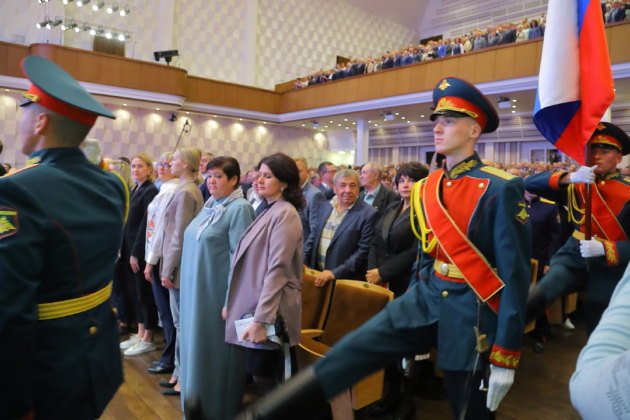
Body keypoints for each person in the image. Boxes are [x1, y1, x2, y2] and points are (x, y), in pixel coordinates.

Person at [238, 77, 531, 420]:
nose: (438, 128)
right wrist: (419, 290)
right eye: (437, 120)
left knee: (469, 408)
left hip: (474, 310)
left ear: (474, 131)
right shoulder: (427, 188)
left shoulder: (500, 188)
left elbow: (515, 275)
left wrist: (506, 353)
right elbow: (427, 254)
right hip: (428, 295)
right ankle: (263, 414)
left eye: (450, 121)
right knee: (353, 350)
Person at [0, 55, 127, 418]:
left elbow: (9, 311)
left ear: (40, 121)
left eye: (24, 111)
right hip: (95, 357)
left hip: (46, 372)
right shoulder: (112, 184)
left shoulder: (16, 192)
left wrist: (14, 401)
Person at [525, 122, 630, 334]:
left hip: (611, 265)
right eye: (593, 151)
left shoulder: (627, 192)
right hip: (574, 254)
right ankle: (501, 348)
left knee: (600, 324)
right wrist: (570, 177)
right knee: (538, 295)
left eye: (605, 151)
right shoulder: (578, 184)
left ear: (618, 158)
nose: (597, 156)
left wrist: (606, 249)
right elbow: (528, 184)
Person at [179, 156, 255, 418]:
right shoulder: (212, 203)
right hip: (195, 294)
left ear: (234, 180)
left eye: (219, 176)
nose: (212, 181)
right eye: (209, 175)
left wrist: (231, 301)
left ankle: (214, 410)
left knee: (213, 356)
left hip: (215, 298)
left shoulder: (240, 208)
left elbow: (241, 259)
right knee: (194, 349)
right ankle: (194, 405)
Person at [224, 152, 304, 395]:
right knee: (258, 373)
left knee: (266, 376)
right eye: (259, 175)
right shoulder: (269, 209)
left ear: (285, 182)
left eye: (267, 176)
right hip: (254, 302)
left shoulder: (286, 213)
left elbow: (277, 269)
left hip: (272, 309)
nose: (259, 180)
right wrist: (231, 301)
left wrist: (261, 320)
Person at [159, 147, 205, 396]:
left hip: (177, 267)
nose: (170, 162)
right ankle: (178, 372)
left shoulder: (187, 191)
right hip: (177, 265)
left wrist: (167, 269)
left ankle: (183, 375)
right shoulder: (185, 188)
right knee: (179, 323)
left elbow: (178, 235)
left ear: (186, 164)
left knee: (181, 324)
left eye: (175, 159)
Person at [569, 261, 630, 419]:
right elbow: (576, 245)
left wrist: (609, 249)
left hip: (612, 286)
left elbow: (589, 389)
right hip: (598, 294)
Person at [117, 153, 160, 356]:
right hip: (128, 247)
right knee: (134, 292)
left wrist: (135, 253)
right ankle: (140, 331)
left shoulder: (151, 191)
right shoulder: (136, 188)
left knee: (143, 293)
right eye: (133, 166)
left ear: (150, 169)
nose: (135, 170)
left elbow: (144, 227)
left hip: (139, 250)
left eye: (140, 166)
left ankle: (148, 336)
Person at [304, 168, 378, 284]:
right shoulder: (325, 206)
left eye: (352, 186)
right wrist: (304, 258)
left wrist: (335, 273)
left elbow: (363, 251)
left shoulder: (368, 214)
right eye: (342, 185)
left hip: (344, 281)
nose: (347, 190)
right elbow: (314, 235)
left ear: (358, 189)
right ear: (334, 188)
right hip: (318, 275)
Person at [143, 152, 178, 375]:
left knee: (167, 313)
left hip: (161, 258)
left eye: (167, 164)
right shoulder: (164, 188)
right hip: (155, 256)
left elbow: (160, 233)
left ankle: (169, 358)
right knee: (164, 312)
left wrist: (150, 261)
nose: (162, 167)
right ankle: (169, 356)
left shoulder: (172, 190)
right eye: (161, 164)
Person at [294, 156, 326, 240]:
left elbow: (315, 231)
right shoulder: (290, 192)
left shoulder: (315, 195)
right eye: (293, 171)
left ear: (307, 172)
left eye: (299, 171)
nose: (295, 174)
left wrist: (305, 252)